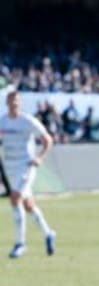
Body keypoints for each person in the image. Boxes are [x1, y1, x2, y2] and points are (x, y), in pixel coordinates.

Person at [0, 91, 57, 258]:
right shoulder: (2, 122)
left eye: (17, 101)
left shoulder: (28, 121)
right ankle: (48, 233)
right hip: (10, 167)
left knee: (15, 197)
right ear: (7, 103)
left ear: (20, 103)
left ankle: (20, 243)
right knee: (27, 204)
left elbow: (48, 140)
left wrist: (40, 157)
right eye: (11, 101)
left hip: (25, 165)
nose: (14, 104)